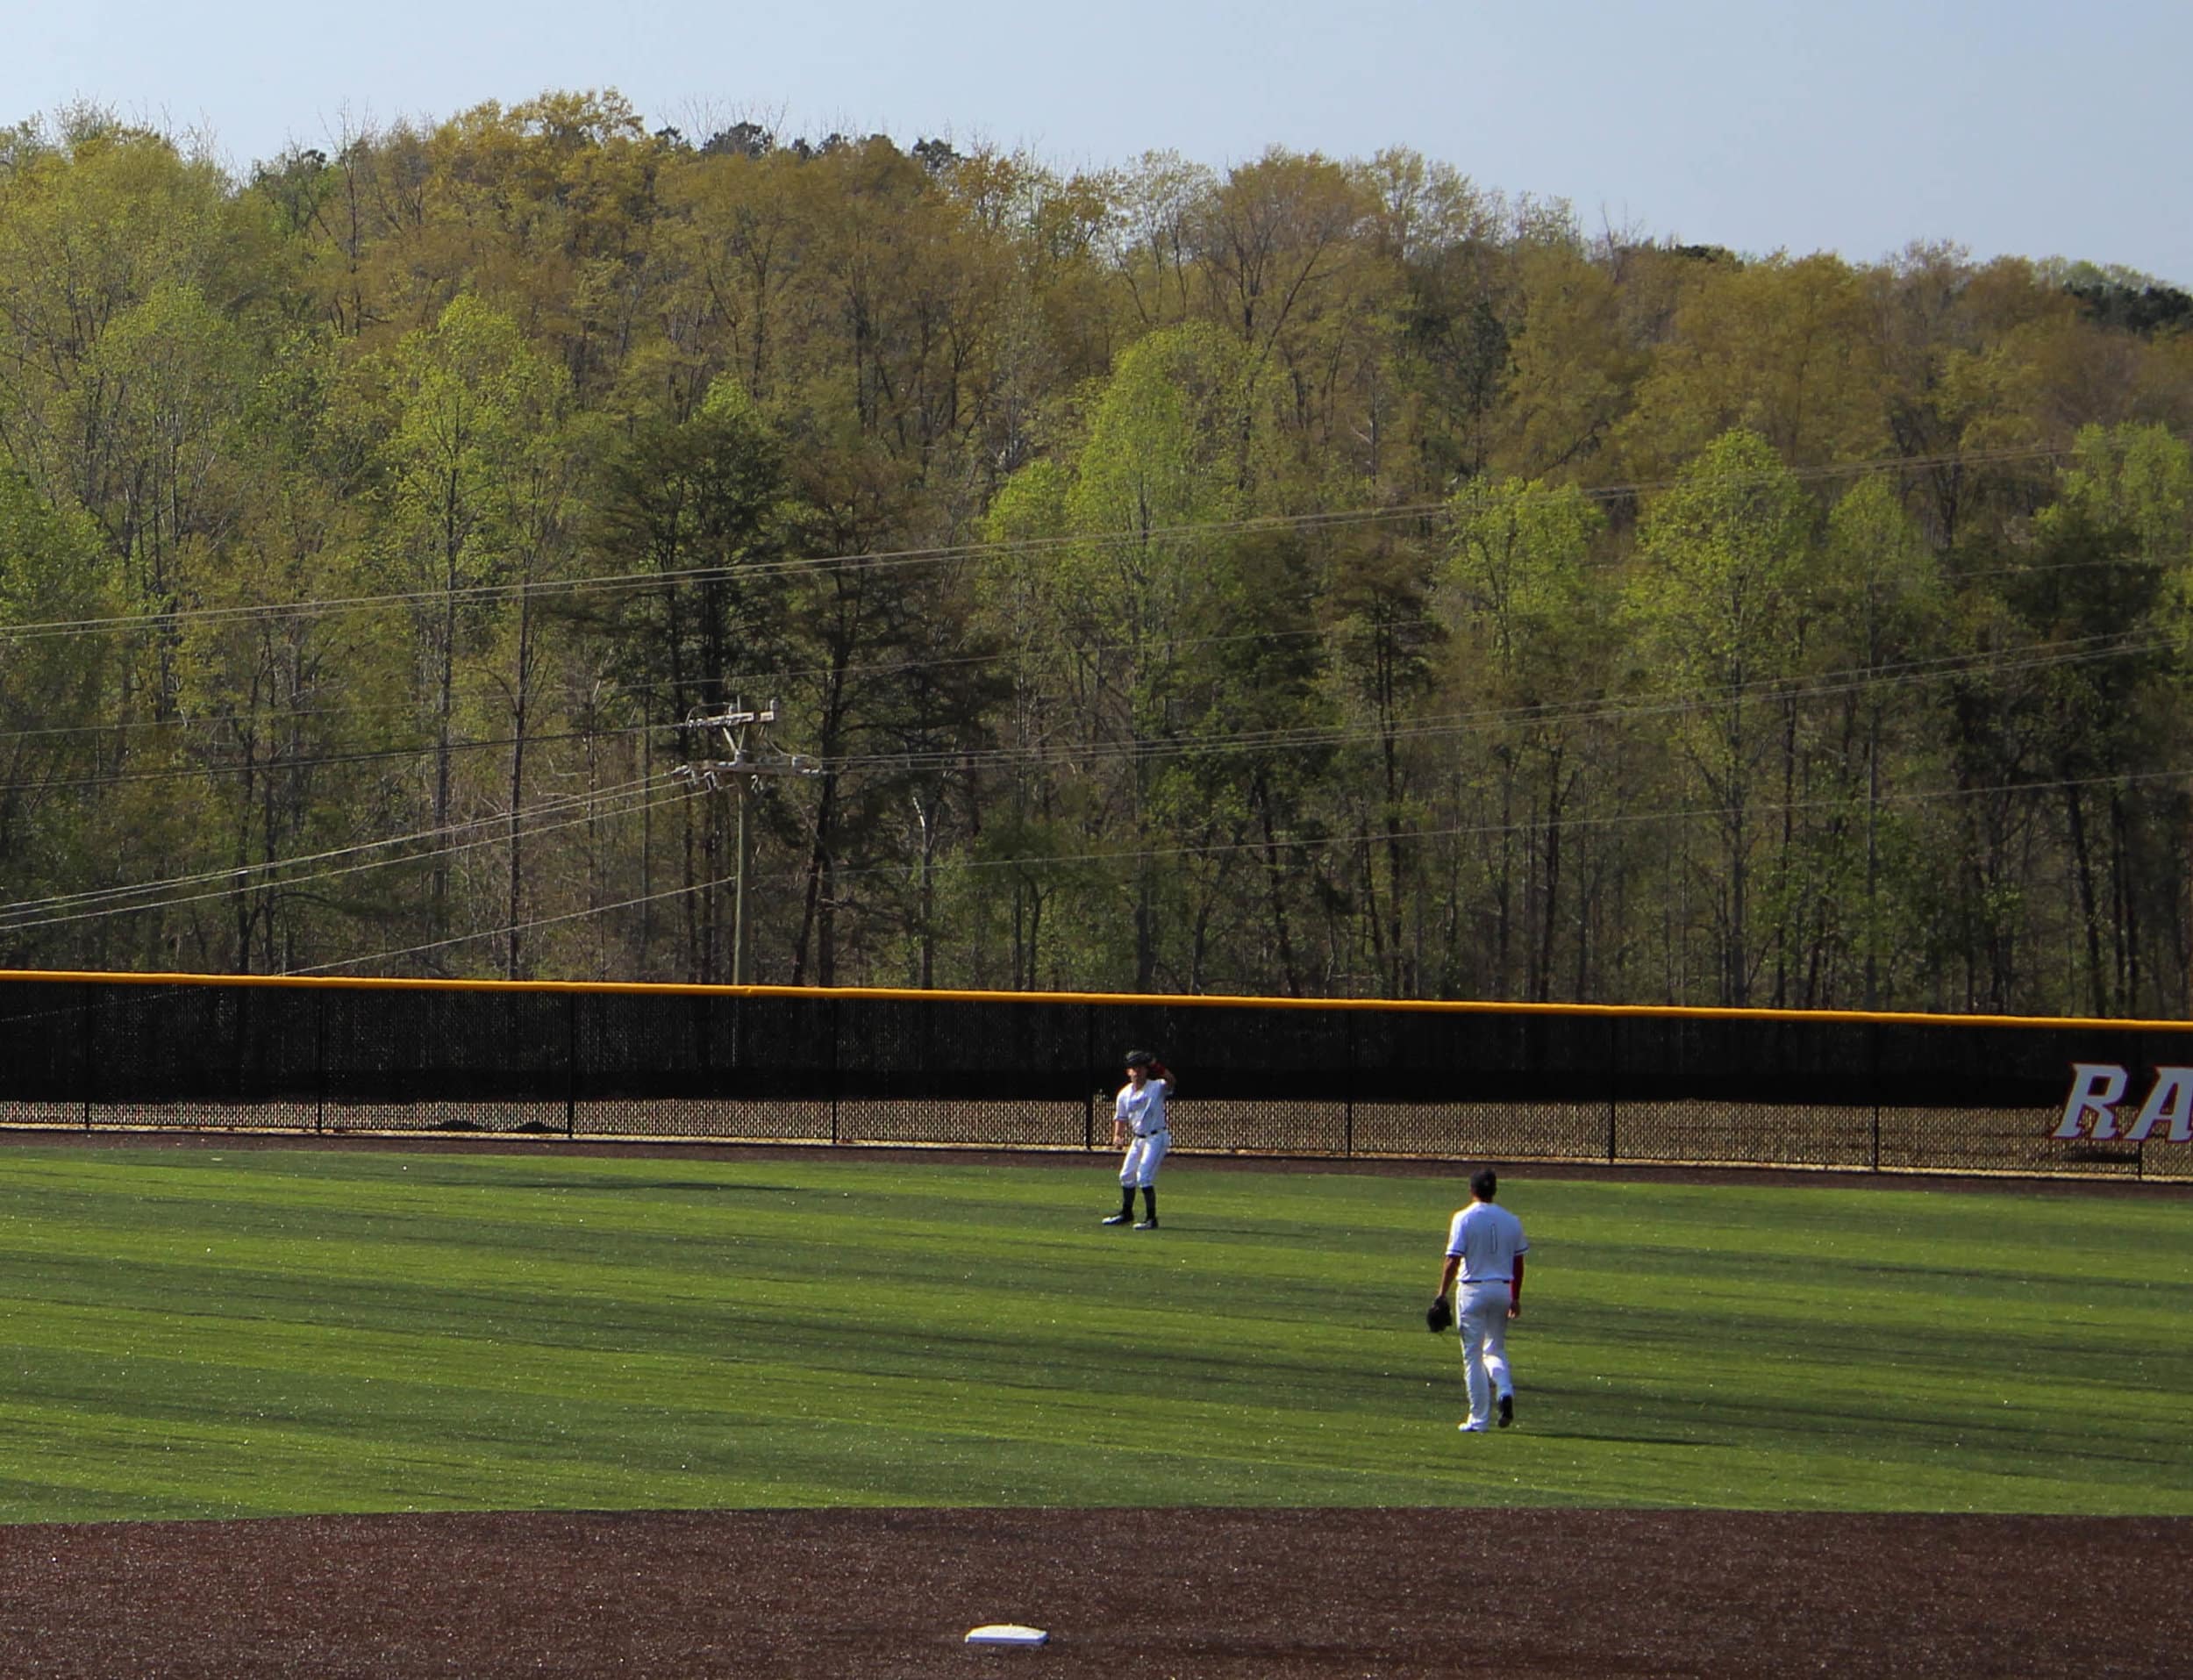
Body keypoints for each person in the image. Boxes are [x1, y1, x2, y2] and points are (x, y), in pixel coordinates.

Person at [1431, 1168, 1527, 1432]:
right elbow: (1518, 1263)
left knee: (1472, 1356)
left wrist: (1441, 1293)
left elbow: (1453, 1259)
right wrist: (1515, 1296)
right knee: (1494, 1349)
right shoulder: (1511, 1220)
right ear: (1494, 1190)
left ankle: (1479, 1419)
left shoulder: (1463, 1218)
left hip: (1473, 1290)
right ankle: (1504, 1391)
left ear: (1472, 1190)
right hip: (1502, 1289)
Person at [1101, 1050, 1174, 1229]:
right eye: (1134, 1068)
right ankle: (1127, 1214)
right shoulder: (1124, 1094)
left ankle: (1151, 1219)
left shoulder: (1156, 1087)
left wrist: (1156, 1064)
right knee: (1126, 1175)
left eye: (1141, 1068)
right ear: (1128, 1072)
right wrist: (1117, 1135)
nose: (1138, 1071)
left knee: (1144, 1176)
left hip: (1156, 1137)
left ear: (1146, 1070)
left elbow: (1172, 1081)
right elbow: (1121, 1117)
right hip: (1138, 1139)